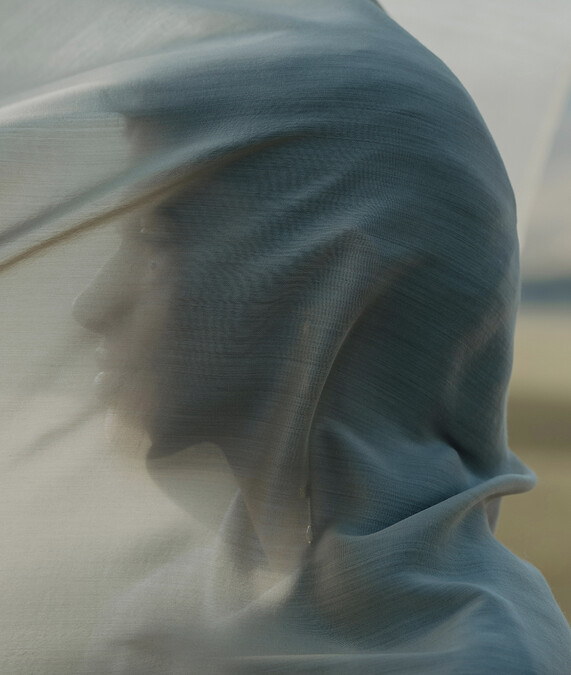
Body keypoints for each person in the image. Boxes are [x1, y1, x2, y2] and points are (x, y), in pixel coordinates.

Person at [2, 1, 571, 673]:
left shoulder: (481, 663)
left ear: (319, 282)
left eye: (154, 238)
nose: (93, 307)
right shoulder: (164, 623)